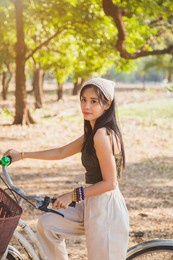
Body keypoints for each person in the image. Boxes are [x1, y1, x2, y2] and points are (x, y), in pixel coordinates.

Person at [4, 78, 129, 260]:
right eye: (83, 99)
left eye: (94, 101)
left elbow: (110, 183)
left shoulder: (102, 135)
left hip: (106, 209)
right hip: (91, 203)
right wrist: (22, 154)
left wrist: (71, 196)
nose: (86, 105)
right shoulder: (93, 133)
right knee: (48, 224)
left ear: (107, 104)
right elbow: (61, 152)